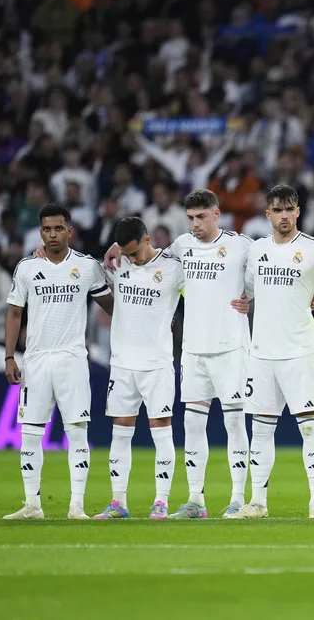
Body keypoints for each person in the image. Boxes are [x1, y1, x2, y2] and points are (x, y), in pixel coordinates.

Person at [101, 189, 252, 520]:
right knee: (194, 427)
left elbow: (263, 279)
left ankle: (238, 499)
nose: (195, 224)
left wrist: (252, 299)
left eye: (201, 217)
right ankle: (196, 500)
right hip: (193, 352)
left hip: (231, 349)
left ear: (216, 214)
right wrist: (115, 245)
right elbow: (146, 256)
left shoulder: (242, 246)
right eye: (190, 218)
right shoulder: (180, 249)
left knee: (234, 423)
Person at [227, 184, 314, 519]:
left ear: (297, 212)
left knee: (309, 426)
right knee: (261, 429)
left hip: (299, 352)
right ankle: (258, 502)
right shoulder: (257, 251)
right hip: (262, 353)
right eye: (276, 210)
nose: (283, 216)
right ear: (267, 214)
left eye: (288, 209)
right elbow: (249, 290)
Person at [3, 204, 113, 520]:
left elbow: (111, 305)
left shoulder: (88, 267)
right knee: (30, 433)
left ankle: (76, 505)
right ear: (41, 232)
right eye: (47, 229)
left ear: (69, 230)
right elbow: (14, 313)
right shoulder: (26, 268)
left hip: (72, 359)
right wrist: (10, 356)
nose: (53, 234)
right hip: (35, 360)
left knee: (77, 430)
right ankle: (32, 505)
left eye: (58, 228)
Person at [93, 217, 185, 520]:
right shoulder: (117, 263)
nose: (131, 259)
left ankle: (161, 501)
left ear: (147, 240)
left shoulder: (173, 268)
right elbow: (76, 266)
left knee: (162, 432)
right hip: (121, 365)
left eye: (135, 253)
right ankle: (118, 502)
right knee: (120, 433)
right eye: (126, 253)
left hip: (157, 364)